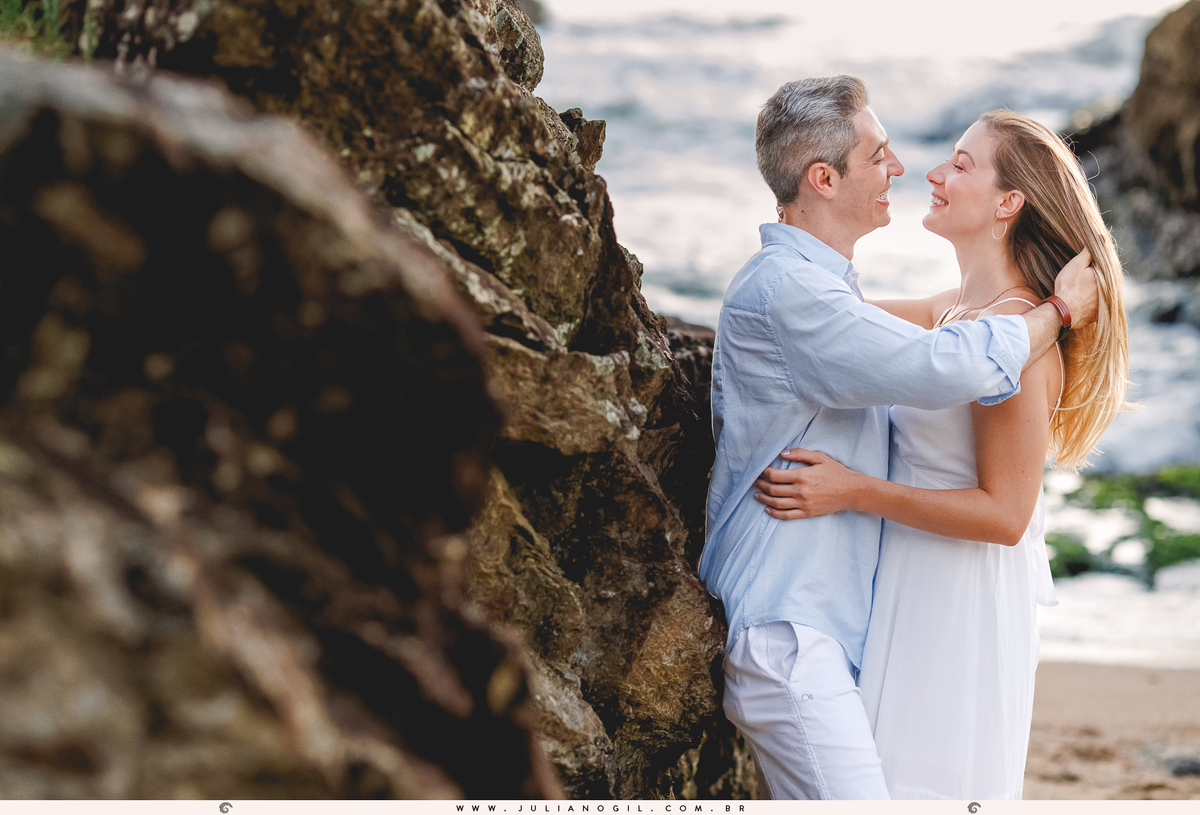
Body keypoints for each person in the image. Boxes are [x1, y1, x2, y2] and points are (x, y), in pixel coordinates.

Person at [699, 76, 1099, 801]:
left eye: (960, 163)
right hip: (799, 628)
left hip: (898, 613)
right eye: (880, 154)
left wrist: (854, 490)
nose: (913, 171)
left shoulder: (832, 295)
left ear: (1010, 203)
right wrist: (1060, 311)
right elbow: (936, 360)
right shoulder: (798, 292)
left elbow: (1004, 505)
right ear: (824, 179)